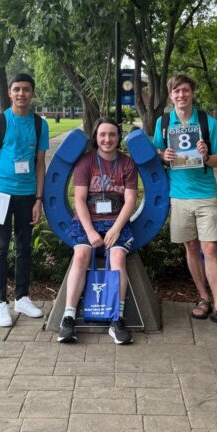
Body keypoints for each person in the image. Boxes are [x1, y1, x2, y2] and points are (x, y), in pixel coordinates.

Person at [153, 73, 217, 330]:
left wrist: (206, 155)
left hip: (205, 195)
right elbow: (157, 152)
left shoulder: (207, 122)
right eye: (177, 91)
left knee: (210, 249)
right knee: (191, 248)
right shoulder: (164, 122)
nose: (181, 95)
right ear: (171, 95)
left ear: (192, 93)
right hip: (178, 195)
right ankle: (203, 297)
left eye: (186, 90)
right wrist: (164, 154)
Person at [57, 118, 138, 346]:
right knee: (81, 255)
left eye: (112, 134)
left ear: (118, 137)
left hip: (116, 222)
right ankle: (69, 318)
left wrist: (115, 228)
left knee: (118, 257)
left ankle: (117, 319)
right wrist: (91, 231)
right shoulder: (85, 163)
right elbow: (80, 200)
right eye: (102, 134)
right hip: (88, 222)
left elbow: (131, 200)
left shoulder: (127, 164)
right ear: (96, 137)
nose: (107, 139)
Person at [0, 73, 50, 327]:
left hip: (27, 194)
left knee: (24, 248)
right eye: (17, 89)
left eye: (26, 90)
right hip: (0, 194)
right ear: (10, 92)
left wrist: (39, 199)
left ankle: (22, 297)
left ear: (32, 93)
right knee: (0, 248)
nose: (21, 94)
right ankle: (1, 302)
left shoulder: (40, 124)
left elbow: (40, 164)